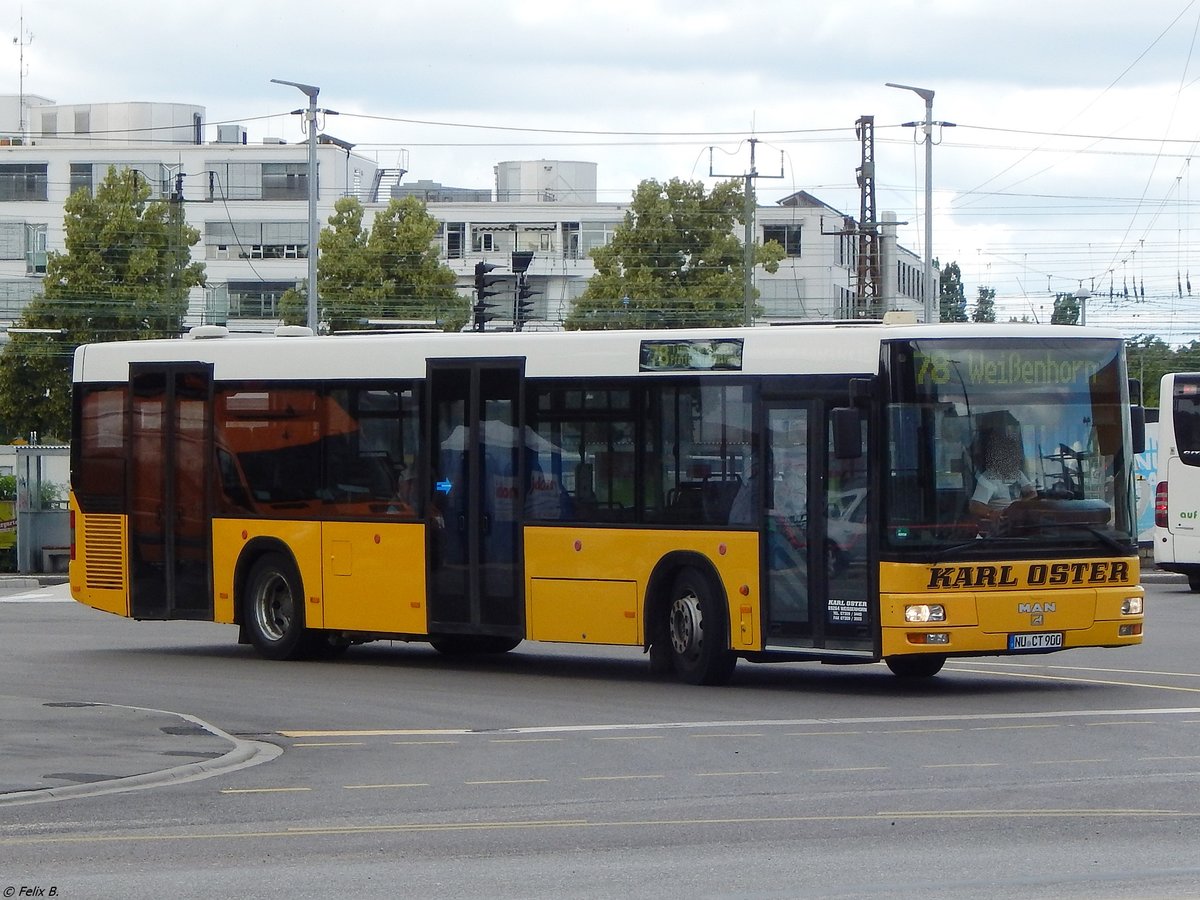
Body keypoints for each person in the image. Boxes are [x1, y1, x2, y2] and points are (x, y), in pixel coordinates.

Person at [969, 432, 1035, 524]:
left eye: (1014, 455)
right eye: (1008, 455)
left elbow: (1032, 493)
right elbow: (975, 506)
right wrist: (992, 513)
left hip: (1020, 520)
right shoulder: (989, 477)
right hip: (1001, 525)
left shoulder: (1017, 473)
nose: (1014, 459)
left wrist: (1019, 505)